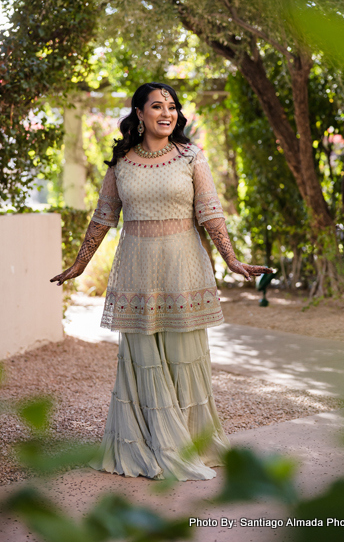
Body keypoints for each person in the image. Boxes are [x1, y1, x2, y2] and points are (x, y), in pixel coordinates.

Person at [51, 82, 272, 481]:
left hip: (182, 271)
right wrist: (80, 265)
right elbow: (103, 218)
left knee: (184, 356)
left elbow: (210, 213)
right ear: (139, 113)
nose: (167, 113)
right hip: (137, 274)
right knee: (143, 361)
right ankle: (148, 444)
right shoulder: (121, 164)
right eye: (157, 106)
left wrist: (233, 260)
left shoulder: (190, 156)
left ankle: (189, 444)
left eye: (172, 106)